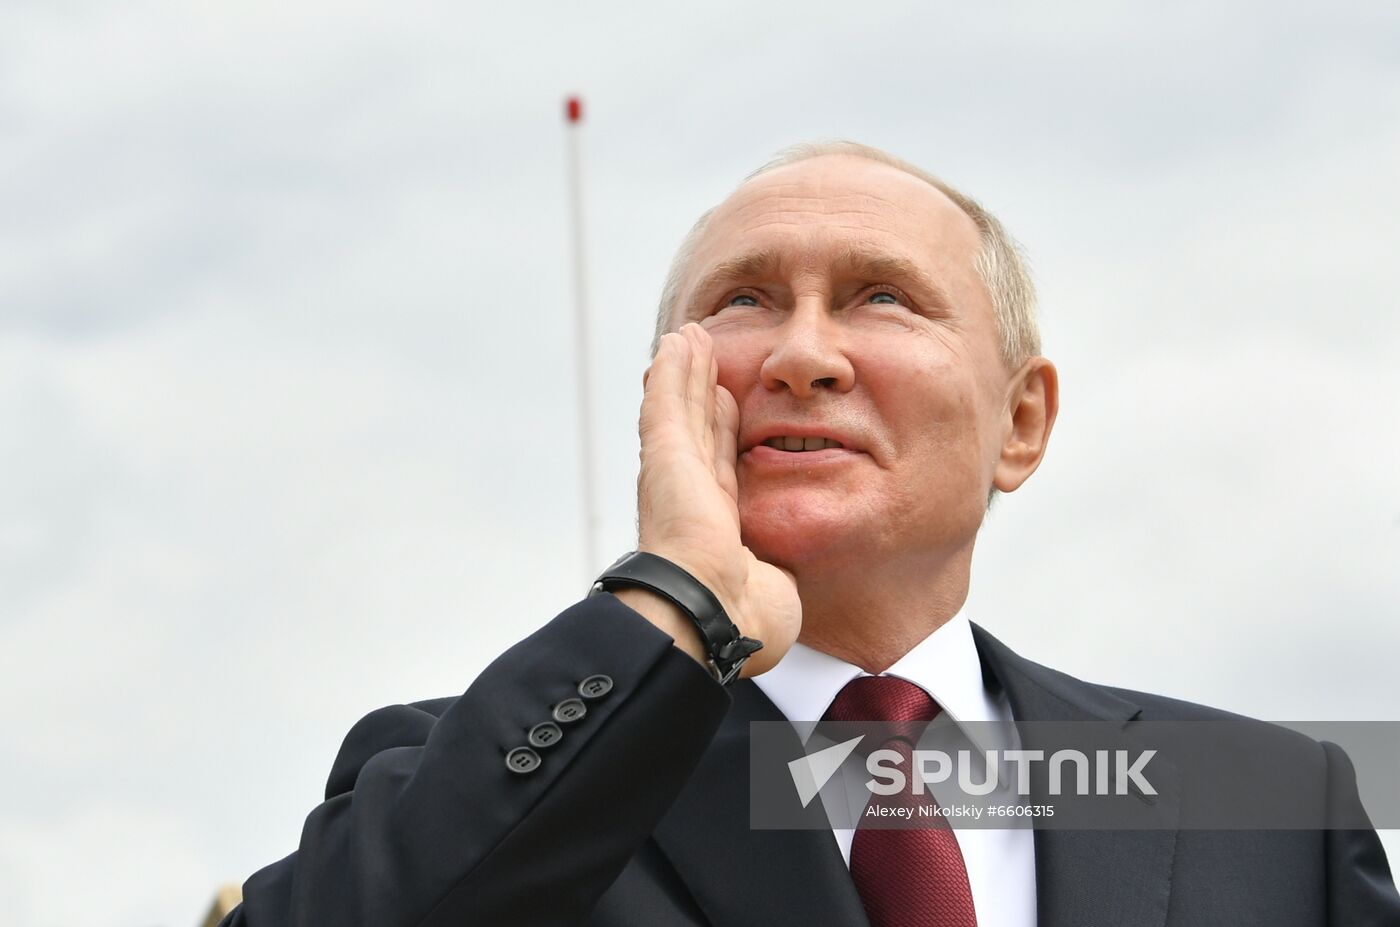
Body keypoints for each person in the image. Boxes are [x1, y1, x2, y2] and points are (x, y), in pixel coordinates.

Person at [220, 141, 1400, 926]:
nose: (799, 354)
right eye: (741, 302)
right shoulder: (482, 782)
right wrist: (674, 603)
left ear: (1020, 422)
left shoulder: (1268, 808)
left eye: (880, 296)